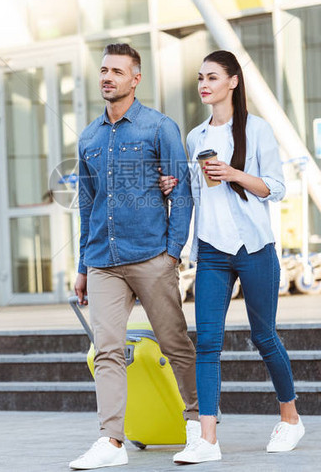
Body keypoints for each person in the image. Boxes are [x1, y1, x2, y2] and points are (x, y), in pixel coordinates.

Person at [161, 50, 304, 464]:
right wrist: (172, 185)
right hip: (211, 251)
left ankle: (291, 419)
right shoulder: (195, 137)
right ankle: (207, 438)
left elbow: (277, 187)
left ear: (233, 82)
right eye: (199, 77)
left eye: (212, 77)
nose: (203, 84)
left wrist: (235, 174)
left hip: (255, 247)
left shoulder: (257, 130)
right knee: (206, 342)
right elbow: (192, 192)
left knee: (265, 337)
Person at [69, 43, 199, 470]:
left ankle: (198, 424)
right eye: (104, 70)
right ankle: (111, 441)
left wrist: (172, 254)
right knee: (107, 349)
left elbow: (181, 192)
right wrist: (83, 266)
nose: (107, 78)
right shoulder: (88, 137)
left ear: (135, 78)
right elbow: (87, 205)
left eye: (117, 72)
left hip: (151, 256)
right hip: (103, 260)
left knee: (175, 343)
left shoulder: (159, 127)